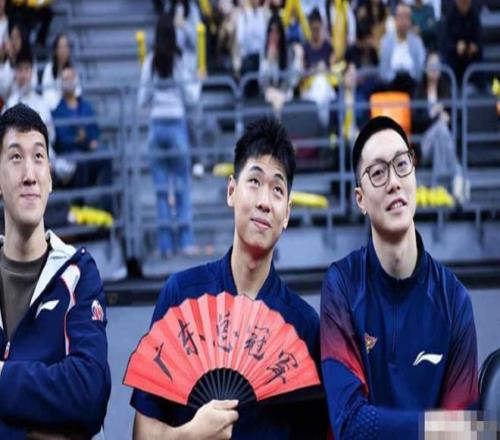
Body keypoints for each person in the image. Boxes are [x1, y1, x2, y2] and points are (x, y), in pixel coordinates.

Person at [131, 117, 327, 439]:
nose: (264, 201)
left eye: (277, 189)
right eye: (254, 181)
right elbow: (143, 433)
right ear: (231, 191)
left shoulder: (303, 326)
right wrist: (192, 435)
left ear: (287, 214)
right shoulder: (181, 296)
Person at [320, 116, 478, 439]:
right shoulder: (341, 287)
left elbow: (464, 432)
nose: (393, 181)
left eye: (402, 164)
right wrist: (435, 428)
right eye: (378, 172)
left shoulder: (455, 300)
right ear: (360, 199)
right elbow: (349, 424)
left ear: (414, 174)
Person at [0, 103, 111, 437]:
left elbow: (89, 395)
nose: (29, 174)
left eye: (38, 157)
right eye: (15, 157)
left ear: (50, 178)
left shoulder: (78, 273)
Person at [138, 13, 196, 258]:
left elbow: (142, 99)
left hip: (157, 127)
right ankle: (185, 241)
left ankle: (165, 245)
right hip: (175, 125)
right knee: (182, 185)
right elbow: (191, 96)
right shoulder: (179, 61)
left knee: (161, 189)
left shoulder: (150, 62)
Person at [379, 3, 426, 95]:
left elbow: (420, 68)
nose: (403, 21)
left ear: (410, 20)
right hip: (391, 84)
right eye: (400, 17)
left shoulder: (417, 42)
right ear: (395, 19)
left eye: (406, 17)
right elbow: (383, 69)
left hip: (412, 84)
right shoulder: (386, 41)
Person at [42, 33, 82, 110]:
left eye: (66, 46)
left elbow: (77, 92)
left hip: (70, 108)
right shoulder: (49, 68)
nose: (63, 50)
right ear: (55, 50)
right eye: (61, 47)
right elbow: (46, 93)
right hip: (53, 108)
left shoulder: (73, 69)